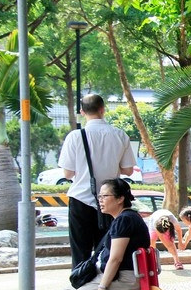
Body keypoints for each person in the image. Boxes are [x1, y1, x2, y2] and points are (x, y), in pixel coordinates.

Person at [58, 94, 136, 268]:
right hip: (112, 203)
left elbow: (68, 173)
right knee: (108, 253)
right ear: (103, 110)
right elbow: (128, 170)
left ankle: (81, 289)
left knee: (80, 253)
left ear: (82, 112)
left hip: (81, 201)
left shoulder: (75, 136)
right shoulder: (120, 135)